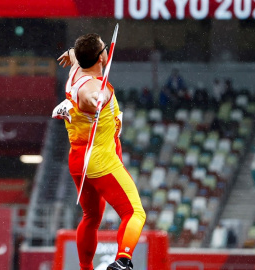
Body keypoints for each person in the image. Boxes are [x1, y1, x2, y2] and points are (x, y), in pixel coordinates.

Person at [53, 33, 146, 270]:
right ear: (101, 56)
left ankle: (86, 268)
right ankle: (123, 261)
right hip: (100, 161)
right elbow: (91, 95)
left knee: (91, 217)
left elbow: (77, 56)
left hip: (78, 159)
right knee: (134, 212)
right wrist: (98, 98)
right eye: (104, 47)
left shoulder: (76, 69)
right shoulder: (93, 88)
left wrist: (71, 53)